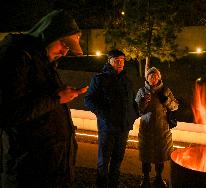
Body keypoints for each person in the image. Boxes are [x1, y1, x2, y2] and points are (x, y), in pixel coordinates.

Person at [0, 9, 88, 187]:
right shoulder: (18, 56)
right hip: (31, 173)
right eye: (63, 44)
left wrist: (63, 95)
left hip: (53, 169)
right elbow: (9, 112)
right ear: (48, 34)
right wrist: (57, 98)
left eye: (68, 48)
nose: (64, 52)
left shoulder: (42, 61)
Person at [84, 49, 139, 188]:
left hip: (123, 128)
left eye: (122, 60)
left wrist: (134, 115)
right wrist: (103, 114)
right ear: (109, 61)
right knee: (104, 160)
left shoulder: (127, 80)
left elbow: (131, 101)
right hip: (107, 127)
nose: (120, 63)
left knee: (118, 159)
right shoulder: (100, 79)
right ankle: (101, 184)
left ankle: (113, 184)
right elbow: (89, 100)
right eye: (116, 60)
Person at [135, 67, 179, 188]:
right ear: (147, 78)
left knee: (160, 155)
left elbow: (175, 107)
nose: (153, 78)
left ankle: (159, 178)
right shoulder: (142, 91)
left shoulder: (165, 90)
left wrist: (167, 101)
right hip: (146, 128)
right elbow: (137, 110)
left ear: (159, 77)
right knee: (146, 155)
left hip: (162, 129)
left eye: (155, 76)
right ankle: (146, 178)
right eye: (150, 75)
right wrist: (143, 102)